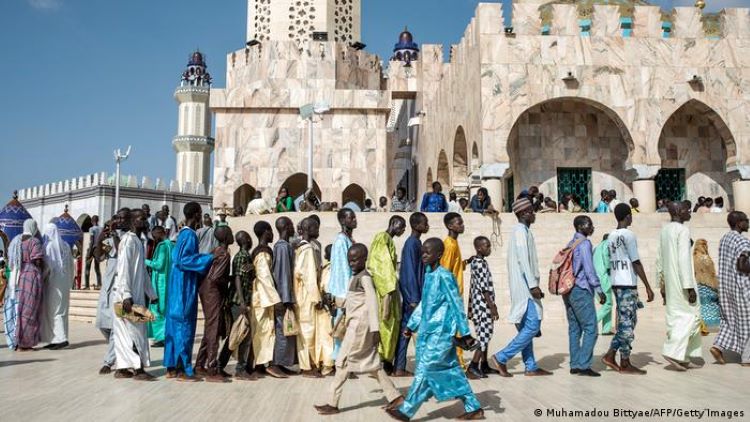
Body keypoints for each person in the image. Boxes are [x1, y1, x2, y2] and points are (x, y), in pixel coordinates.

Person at [387, 238, 483, 421]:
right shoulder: (429, 275)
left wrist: (465, 333)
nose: (423, 255)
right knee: (451, 370)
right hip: (427, 332)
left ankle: (407, 410)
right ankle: (474, 407)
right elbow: (425, 304)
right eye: (422, 252)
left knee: (425, 368)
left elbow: (456, 304)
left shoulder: (445, 276)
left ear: (439, 254)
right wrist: (411, 324)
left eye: (427, 252)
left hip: (441, 333)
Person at [314, 244, 405, 416]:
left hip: (360, 328)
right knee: (372, 365)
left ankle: (332, 403)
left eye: (355, 259)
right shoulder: (355, 277)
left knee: (342, 363)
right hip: (355, 326)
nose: (352, 263)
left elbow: (372, 303)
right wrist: (333, 300)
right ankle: (395, 397)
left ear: (365, 259)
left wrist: (375, 329)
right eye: (350, 260)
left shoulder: (365, 278)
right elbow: (351, 301)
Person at [491, 198, 550, 377]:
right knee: (533, 326)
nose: (534, 214)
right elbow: (523, 259)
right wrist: (533, 286)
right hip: (525, 288)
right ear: (524, 213)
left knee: (526, 327)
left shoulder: (523, 231)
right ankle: (501, 357)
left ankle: (530, 366)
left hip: (525, 286)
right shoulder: (519, 231)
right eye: (531, 211)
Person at [601, 203, 656, 375]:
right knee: (626, 326)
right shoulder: (629, 235)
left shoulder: (610, 236)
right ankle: (615, 357)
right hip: (627, 284)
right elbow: (636, 262)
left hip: (617, 282)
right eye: (630, 215)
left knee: (629, 322)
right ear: (627, 217)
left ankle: (623, 359)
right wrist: (648, 286)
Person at [164, 202, 214, 381]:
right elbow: (183, 259)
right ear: (197, 214)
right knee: (184, 325)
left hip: (178, 285)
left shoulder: (182, 234)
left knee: (175, 325)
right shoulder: (190, 235)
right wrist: (209, 258)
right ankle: (184, 369)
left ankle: (172, 368)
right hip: (184, 286)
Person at [656, 201, 703, 370]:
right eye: (686, 210)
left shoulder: (665, 230)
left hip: (670, 282)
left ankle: (683, 355)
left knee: (677, 317)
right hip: (682, 283)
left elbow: (659, 258)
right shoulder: (682, 230)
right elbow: (683, 260)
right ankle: (673, 351)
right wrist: (689, 287)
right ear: (677, 211)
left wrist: (661, 284)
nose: (689, 212)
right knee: (691, 316)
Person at [112, 208, 157, 381]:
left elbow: (142, 271)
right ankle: (138, 370)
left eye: (145, 219)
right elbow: (122, 269)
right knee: (134, 331)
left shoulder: (138, 241)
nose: (144, 222)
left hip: (135, 295)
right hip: (126, 296)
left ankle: (122, 368)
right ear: (132, 221)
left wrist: (151, 293)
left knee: (127, 332)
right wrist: (126, 295)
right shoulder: (128, 241)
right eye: (140, 219)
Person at [564, 216, 607, 377]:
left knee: (575, 328)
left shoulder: (571, 243)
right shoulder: (584, 243)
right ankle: (583, 365)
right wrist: (599, 290)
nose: (592, 227)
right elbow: (589, 270)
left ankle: (575, 364)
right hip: (581, 289)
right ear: (581, 226)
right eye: (590, 224)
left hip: (568, 290)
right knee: (591, 328)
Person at [367, 215, 407, 373]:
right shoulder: (382, 238)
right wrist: (389, 290)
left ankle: (387, 359)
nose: (403, 229)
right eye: (401, 226)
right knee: (386, 324)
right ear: (393, 223)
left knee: (391, 325)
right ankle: (383, 360)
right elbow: (381, 265)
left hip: (391, 290)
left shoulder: (388, 240)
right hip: (386, 291)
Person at [710, 211, 750, 366]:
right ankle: (747, 358)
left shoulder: (725, 238)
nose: (748, 223)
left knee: (729, 320)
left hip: (727, 287)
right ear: (739, 223)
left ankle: (718, 347)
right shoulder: (742, 241)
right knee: (747, 321)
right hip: (742, 288)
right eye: (746, 220)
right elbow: (742, 266)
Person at [195, 226, 234, 382]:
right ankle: (212, 368)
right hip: (213, 292)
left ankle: (199, 365)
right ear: (225, 238)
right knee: (214, 329)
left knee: (209, 327)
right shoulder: (224, 253)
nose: (232, 236)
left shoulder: (215, 250)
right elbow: (217, 277)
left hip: (206, 290)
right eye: (230, 234)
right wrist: (231, 280)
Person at [217, 230, 256, 380]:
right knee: (242, 335)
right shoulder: (242, 256)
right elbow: (238, 279)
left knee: (236, 334)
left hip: (241, 300)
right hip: (238, 302)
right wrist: (242, 302)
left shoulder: (246, 257)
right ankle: (240, 369)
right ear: (246, 239)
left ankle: (221, 365)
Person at [393, 212, 429, 377]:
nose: (427, 225)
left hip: (416, 296)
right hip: (412, 298)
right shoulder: (411, 244)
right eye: (424, 223)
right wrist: (413, 298)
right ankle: (404, 367)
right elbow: (408, 272)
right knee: (410, 332)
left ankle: (400, 367)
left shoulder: (416, 243)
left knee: (406, 332)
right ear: (416, 225)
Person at [249, 221, 286, 378]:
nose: (272, 234)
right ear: (266, 232)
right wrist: (275, 299)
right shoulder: (263, 253)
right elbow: (264, 277)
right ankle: (260, 365)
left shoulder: (260, 251)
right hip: (262, 298)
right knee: (263, 332)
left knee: (264, 331)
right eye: (270, 231)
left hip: (262, 296)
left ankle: (263, 364)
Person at [7, 219, 44, 351]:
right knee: (30, 309)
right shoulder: (34, 241)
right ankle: (26, 343)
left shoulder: (16, 241)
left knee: (21, 309)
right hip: (31, 275)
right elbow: (37, 260)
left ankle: (17, 340)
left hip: (20, 276)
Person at [466, 236, 499, 379]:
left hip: (479, 304)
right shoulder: (480, 264)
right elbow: (484, 288)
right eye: (487, 246)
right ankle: (473, 366)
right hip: (483, 305)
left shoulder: (477, 261)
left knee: (485, 334)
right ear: (479, 248)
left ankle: (484, 364)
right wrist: (492, 307)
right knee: (484, 335)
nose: (489, 249)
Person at [294, 218, 325, 377]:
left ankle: (311, 362)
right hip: (306, 295)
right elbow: (309, 277)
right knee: (307, 330)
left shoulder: (302, 247)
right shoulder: (306, 249)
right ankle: (307, 367)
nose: (319, 230)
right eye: (316, 227)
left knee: (308, 329)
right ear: (310, 228)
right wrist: (316, 297)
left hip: (304, 294)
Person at [326, 208, 356, 359]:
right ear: (343, 221)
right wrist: (346, 294)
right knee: (341, 330)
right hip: (343, 293)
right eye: (351, 218)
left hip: (349, 292)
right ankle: (340, 362)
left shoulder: (348, 239)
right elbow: (343, 270)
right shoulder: (340, 242)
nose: (355, 220)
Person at [41, 222, 74, 350]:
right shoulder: (65, 246)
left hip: (53, 283)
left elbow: (48, 267)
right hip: (64, 283)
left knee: (54, 311)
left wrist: (41, 279)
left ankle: (61, 339)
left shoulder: (48, 247)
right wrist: (70, 281)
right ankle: (54, 339)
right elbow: (71, 265)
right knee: (61, 310)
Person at [440, 212, 467, 368]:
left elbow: (455, 266)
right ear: (450, 226)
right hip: (452, 296)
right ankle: (458, 363)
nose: (462, 225)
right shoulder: (449, 245)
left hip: (455, 294)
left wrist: (465, 263)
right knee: (455, 331)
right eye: (459, 223)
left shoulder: (454, 243)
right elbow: (445, 271)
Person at [272, 216, 297, 372]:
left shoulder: (286, 246)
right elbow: (283, 274)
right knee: (282, 331)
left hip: (285, 295)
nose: (294, 227)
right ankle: (276, 364)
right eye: (292, 224)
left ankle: (283, 363)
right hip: (283, 296)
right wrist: (285, 298)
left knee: (287, 331)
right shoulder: (282, 247)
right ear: (287, 227)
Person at [94, 219, 119, 373]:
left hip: (120, 287)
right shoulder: (108, 241)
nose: (111, 229)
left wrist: (115, 234)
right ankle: (119, 346)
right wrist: (99, 239)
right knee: (103, 323)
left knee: (117, 326)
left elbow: (120, 249)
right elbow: (99, 257)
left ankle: (108, 362)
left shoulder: (127, 240)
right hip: (107, 286)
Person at [145, 226, 172, 347]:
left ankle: (161, 337)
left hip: (160, 283)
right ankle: (165, 335)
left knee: (157, 310)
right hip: (168, 282)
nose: (154, 239)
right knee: (165, 310)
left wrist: (145, 261)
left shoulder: (162, 246)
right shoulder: (171, 245)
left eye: (154, 236)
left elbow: (159, 265)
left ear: (159, 233)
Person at [693, 239, 720, 333]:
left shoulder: (693, 257)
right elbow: (711, 271)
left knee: (702, 304)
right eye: (704, 244)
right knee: (710, 304)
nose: (706, 247)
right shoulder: (704, 257)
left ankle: (702, 325)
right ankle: (707, 325)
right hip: (708, 285)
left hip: (698, 285)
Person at [593, 234, 614, 335]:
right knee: (608, 304)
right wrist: (610, 268)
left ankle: (606, 329)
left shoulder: (596, 248)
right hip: (604, 278)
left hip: (596, 279)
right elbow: (606, 258)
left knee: (607, 303)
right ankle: (591, 324)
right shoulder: (606, 244)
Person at [84, 215, 102, 289]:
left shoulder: (91, 229)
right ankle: (99, 284)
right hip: (98, 250)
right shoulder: (101, 229)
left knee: (87, 268)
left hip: (92, 249)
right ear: (98, 220)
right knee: (97, 268)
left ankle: (87, 286)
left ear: (92, 221)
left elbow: (92, 241)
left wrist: (89, 253)